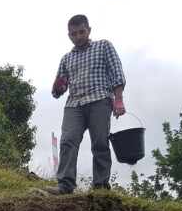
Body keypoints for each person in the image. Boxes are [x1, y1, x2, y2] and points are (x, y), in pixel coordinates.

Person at [44, 14, 127, 195]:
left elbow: (116, 73)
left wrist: (118, 99)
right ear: (69, 35)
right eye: (74, 34)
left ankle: (100, 187)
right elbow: (58, 90)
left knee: (100, 143)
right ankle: (65, 186)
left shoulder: (104, 46)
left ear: (89, 30)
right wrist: (58, 86)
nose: (78, 36)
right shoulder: (67, 58)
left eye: (82, 32)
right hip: (74, 104)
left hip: (99, 99)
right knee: (68, 141)